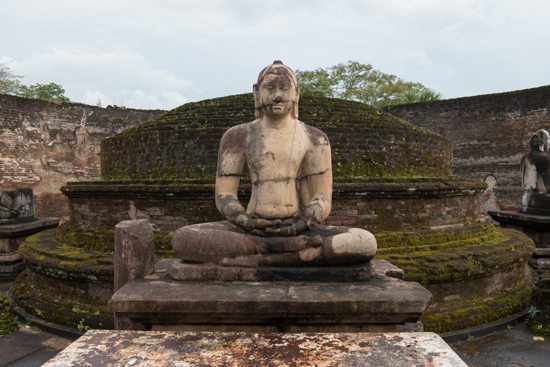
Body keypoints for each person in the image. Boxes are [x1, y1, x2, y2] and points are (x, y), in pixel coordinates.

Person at [172, 61, 377, 267]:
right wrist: (245, 220)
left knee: (364, 242)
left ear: (296, 93)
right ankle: (285, 251)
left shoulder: (315, 138)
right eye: (270, 88)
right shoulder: (236, 136)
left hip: (299, 227)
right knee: (184, 238)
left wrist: (300, 224)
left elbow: (322, 199)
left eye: (284, 88)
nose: (277, 95)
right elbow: (224, 195)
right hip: (250, 229)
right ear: (256, 92)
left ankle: (263, 254)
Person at [521, 129, 550, 212]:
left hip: (527, 200)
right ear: (542, 141)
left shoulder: (525, 157)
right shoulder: (544, 158)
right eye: (548, 139)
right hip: (540, 198)